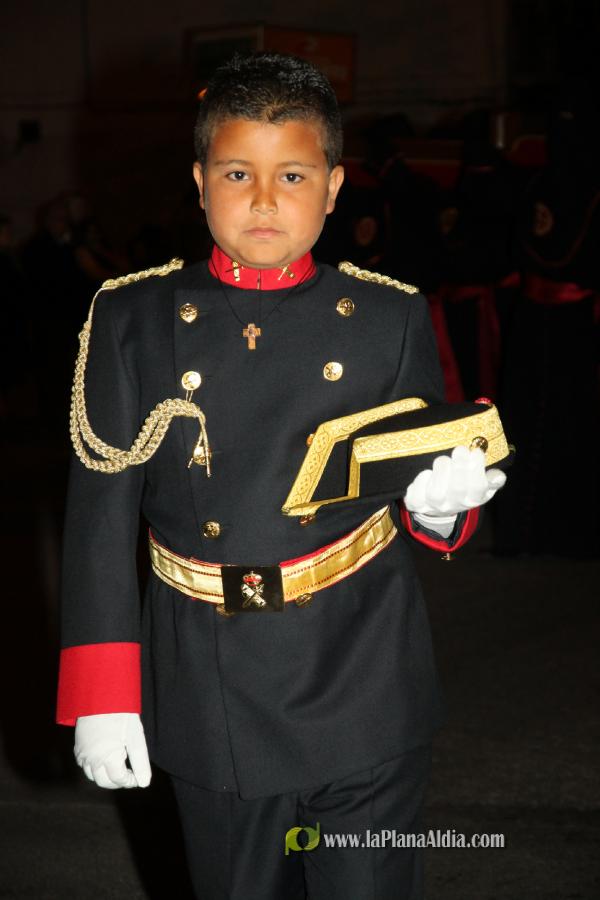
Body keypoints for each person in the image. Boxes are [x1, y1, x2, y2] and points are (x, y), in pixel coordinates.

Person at [56, 53, 506, 900]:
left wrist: (441, 509)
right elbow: (99, 515)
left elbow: (421, 474)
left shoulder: (388, 315)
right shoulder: (133, 318)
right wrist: (104, 692)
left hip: (362, 670)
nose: (265, 200)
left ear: (333, 187)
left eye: (293, 174)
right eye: (237, 172)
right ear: (199, 182)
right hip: (207, 678)